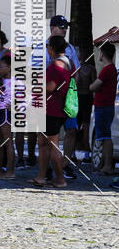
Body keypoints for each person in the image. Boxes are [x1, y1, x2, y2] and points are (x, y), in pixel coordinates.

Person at [31, 35, 70, 188]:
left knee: (52, 144)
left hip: (51, 109)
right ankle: (41, 176)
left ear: (51, 48)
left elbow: (50, 87)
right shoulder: (67, 62)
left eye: (48, 47)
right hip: (52, 108)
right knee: (42, 142)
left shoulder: (56, 65)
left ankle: (60, 179)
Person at [46, 15, 79, 177]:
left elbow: (76, 72)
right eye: (61, 27)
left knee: (71, 130)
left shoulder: (70, 48)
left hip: (67, 97)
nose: (65, 30)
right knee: (47, 136)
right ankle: (47, 168)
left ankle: (65, 164)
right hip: (49, 98)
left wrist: (72, 90)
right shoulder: (42, 47)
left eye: (66, 27)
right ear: (52, 28)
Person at [89, 42, 117, 176]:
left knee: (105, 136)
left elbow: (95, 86)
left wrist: (91, 86)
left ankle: (107, 166)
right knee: (103, 135)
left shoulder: (107, 69)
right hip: (105, 105)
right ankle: (104, 165)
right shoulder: (112, 69)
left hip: (103, 106)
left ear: (102, 53)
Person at [0, 53, 15, 179]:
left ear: (9, 67)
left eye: (1, 66)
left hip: (6, 112)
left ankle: (10, 171)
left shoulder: (16, 81)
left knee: (8, 142)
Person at [76, 50, 97, 161]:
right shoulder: (87, 69)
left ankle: (85, 153)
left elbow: (94, 86)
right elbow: (94, 85)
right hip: (81, 97)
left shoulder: (84, 68)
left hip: (83, 97)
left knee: (84, 124)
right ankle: (79, 152)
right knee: (79, 124)